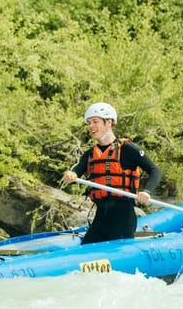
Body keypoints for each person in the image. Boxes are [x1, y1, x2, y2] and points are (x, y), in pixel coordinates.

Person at [61, 102, 162, 244]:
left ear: (108, 122)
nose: (91, 126)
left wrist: (146, 192)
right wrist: (71, 175)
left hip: (123, 218)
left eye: (95, 122)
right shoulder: (90, 154)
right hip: (101, 217)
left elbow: (155, 170)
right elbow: (75, 171)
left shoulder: (128, 149)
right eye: (89, 123)